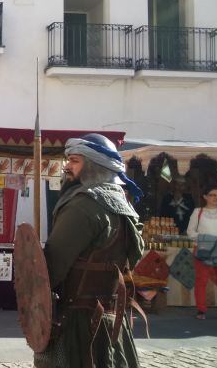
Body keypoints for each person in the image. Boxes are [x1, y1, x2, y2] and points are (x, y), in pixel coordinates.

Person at [35, 133, 145, 368]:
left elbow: (53, 269)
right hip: (112, 316)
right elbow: (135, 257)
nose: (67, 167)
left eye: (74, 160)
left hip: (78, 321)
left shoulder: (84, 205)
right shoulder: (123, 204)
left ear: (94, 165)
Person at [186, 185, 217, 320]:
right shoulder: (198, 212)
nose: (215, 198)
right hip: (204, 249)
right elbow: (190, 232)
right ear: (205, 197)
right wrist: (207, 240)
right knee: (201, 280)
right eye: (212, 195)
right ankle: (201, 310)